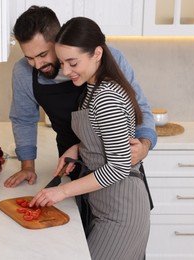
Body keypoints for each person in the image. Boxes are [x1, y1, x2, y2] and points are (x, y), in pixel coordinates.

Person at [29, 16, 150, 260]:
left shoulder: (106, 96)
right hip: (107, 206)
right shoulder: (93, 88)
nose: (65, 71)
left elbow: (118, 167)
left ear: (96, 53)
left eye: (73, 62)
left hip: (121, 211)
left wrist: (62, 193)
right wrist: (78, 148)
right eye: (62, 62)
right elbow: (103, 136)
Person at [4, 6, 157, 188]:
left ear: (58, 41)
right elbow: (24, 119)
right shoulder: (23, 72)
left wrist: (144, 146)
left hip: (119, 171)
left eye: (43, 54)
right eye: (29, 57)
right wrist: (27, 166)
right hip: (71, 166)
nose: (37, 64)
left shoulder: (106, 58)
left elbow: (139, 107)